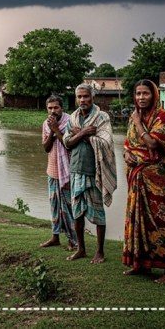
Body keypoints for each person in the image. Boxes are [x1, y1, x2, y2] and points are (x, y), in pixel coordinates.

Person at [122, 79, 165, 284]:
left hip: (157, 180)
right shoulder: (134, 117)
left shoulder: (162, 117)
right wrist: (126, 154)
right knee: (138, 222)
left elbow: (152, 143)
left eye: (145, 93)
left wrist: (138, 122)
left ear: (154, 95)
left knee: (159, 223)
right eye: (138, 94)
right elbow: (129, 144)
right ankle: (140, 265)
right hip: (137, 177)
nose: (141, 98)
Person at [63, 83, 117, 263]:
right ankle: (81, 249)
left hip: (95, 171)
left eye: (85, 96)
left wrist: (81, 135)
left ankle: (100, 251)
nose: (82, 100)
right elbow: (67, 142)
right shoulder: (73, 118)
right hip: (76, 169)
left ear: (92, 97)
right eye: (79, 97)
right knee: (77, 212)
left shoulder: (102, 117)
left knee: (98, 212)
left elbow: (106, 142)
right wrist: (83, 134)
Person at [41, 94, 77, 251]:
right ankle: (55, 237)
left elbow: (68, 145)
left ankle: (73, 240)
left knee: (69, 208)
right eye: (50, 108)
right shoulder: (45, 124)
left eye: (56, 107)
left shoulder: (71, 122)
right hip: (52, 170)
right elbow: (46, 147)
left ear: (62, 108)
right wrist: (51, 131)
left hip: (69, 171)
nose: (53, 111)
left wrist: (56, 129)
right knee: (54, 206)